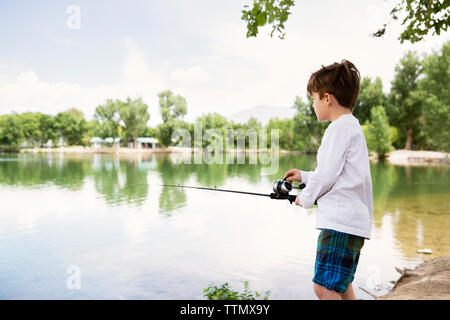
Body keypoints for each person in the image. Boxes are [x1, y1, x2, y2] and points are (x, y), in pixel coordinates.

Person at [284, 60, 373, 300]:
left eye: (313, 99)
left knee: (323, 288)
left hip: (340, 222)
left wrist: (305, 197)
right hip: (351, 222)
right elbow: (334, 174)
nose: (313, 104)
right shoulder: (351, 127)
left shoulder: (338, 128)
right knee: (341, 285)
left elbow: (326, 176)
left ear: (327, 98)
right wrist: (303, 177)